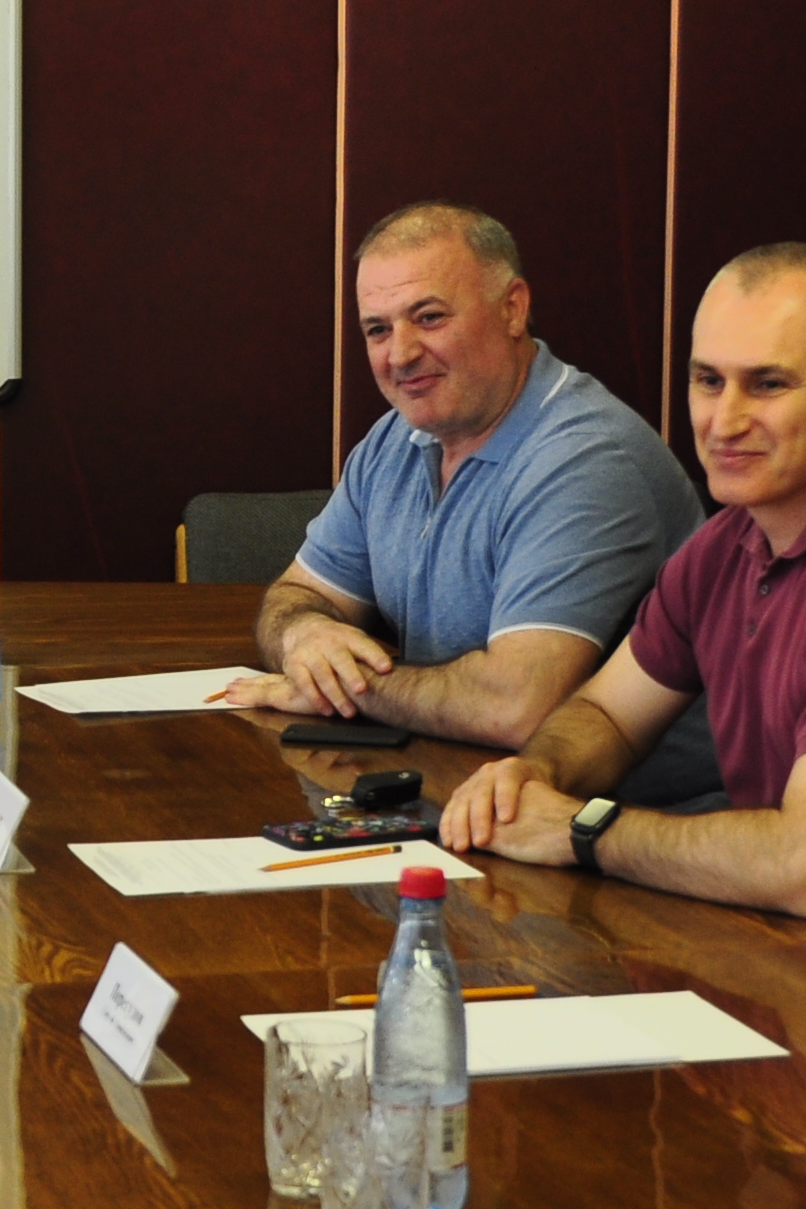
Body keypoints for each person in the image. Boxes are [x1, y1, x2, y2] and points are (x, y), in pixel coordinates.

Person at [437, 245, 806, 918]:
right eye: (708, 381)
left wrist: (577, 828)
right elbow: (608, 715)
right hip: (784, 940)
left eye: (768, 385)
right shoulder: (727, 541)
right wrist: (531, 776)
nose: (725, 422)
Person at [225, 202, 707, 795]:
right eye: (378, 329)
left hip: (628, 821)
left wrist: (343, 687)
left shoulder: (586, 458)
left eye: (428, 318)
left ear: (513, 308)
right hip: (458, 794)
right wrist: (304, 636)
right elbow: (299, 595)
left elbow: (516, 705)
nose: (400, 354)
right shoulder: (396, 439)